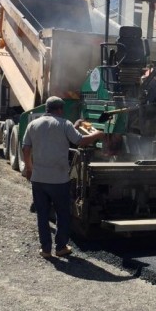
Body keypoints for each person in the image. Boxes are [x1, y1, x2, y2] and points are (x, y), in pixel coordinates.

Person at [22, 96, 105, 259]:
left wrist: (29, 168)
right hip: (59, 179)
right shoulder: (64, 124)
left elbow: (26, 148)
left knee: (42, 214)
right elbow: (80, 141)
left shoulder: (33, 124)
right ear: (60, 109)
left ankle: (45, 249)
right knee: (63, 213)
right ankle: (60, 247)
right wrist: (98, 134)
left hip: (38, 179)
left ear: (47, 109)